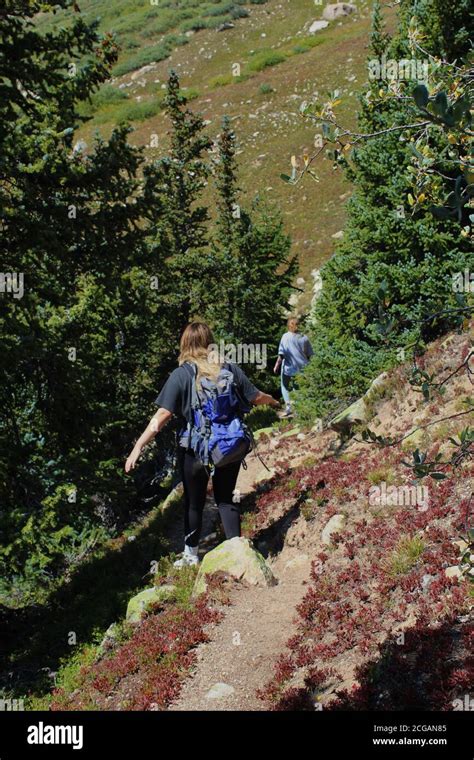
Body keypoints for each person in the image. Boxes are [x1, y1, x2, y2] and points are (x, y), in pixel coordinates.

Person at [125, 322, 279, 567]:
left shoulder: (182, 374)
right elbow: (256, 397)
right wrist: (273, 402)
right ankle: (237, 553)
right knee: (225, 498)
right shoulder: (228, 367)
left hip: (194, 448)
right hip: (229, 444)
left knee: (194, 501)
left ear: (185, 344)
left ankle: (191, 555)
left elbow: (162, 415)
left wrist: (139, 446)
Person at [273, 317, 313, 417]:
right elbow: (309, 355)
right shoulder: (304, 337)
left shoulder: (285, 336)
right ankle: (300, 410)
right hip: (303, 367)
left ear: (288, 326)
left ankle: (289, 407)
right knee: (297, 388)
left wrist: (276, 365)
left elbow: (281, 354)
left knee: (284, 386)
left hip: (289, 368)